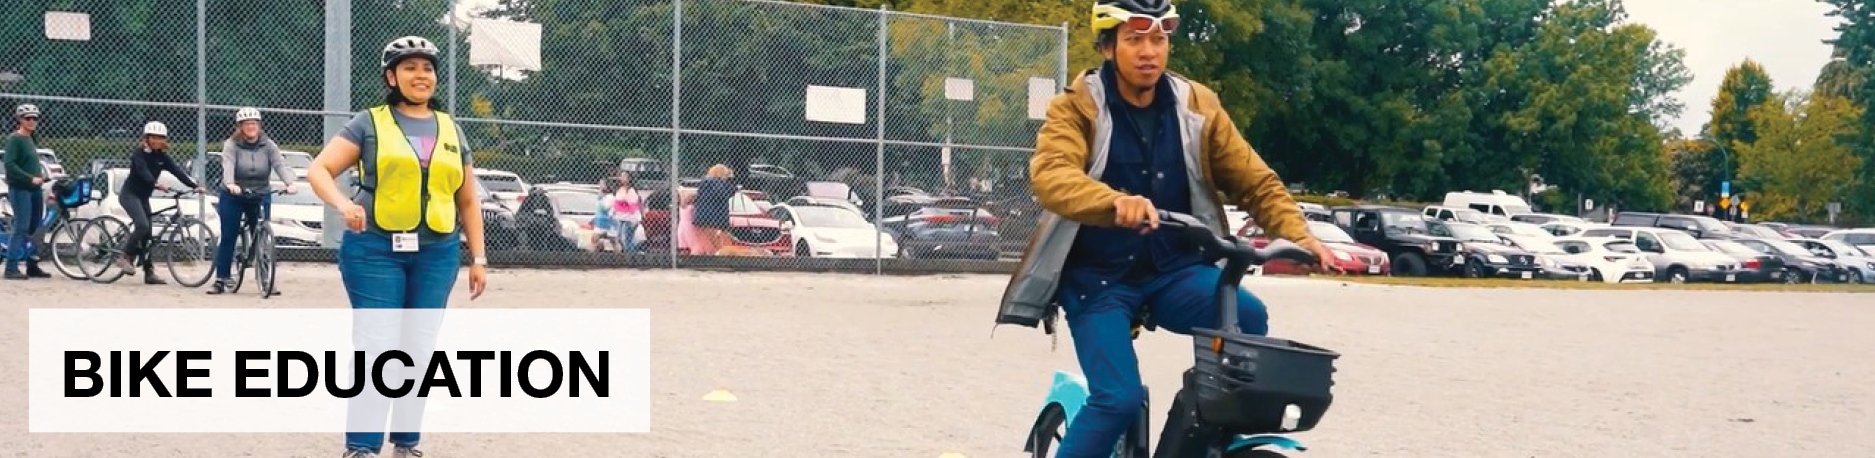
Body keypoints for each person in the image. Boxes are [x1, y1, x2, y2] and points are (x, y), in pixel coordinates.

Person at [993, 1, 1336, 457]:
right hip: (1099, 279)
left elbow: (1255, 180)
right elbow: (1051, 175)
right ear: (1108, 45)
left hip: (1173, 272)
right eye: (1135, 39)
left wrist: (1299, 235)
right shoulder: (1076, 107)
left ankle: (1189, 435)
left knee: (1247, 317)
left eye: (1159, 39)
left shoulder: (1197, 105)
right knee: (1118, 399)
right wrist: (1113, 202)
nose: (1149, 51)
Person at [303, 35, 488, 458]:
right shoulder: (368, 123)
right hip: (374, 251)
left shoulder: (451, 129)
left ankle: (407, 443)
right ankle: (362, 447)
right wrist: (342, 204)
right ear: (391, 76)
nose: (420, 75)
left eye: (427, 68)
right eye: (409, 68)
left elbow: (467, 198)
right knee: (377, 346)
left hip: (437, 253)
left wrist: (478, 257)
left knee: (419, 350)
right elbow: (319, 170)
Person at [206, 107, 299, 294]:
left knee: (263, 234)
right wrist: (230, 183)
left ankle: (265, 279)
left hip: (260, 193)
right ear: (240, 127)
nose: (251, 127)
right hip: (235, 194)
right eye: (247, 124)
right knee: (229, 235)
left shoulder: (269, 145)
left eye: (254, 124)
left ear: (259, 126)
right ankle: (221, 279)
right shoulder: (231, 145)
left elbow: (279, 164)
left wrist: (290, 183)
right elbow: (228, 164)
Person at [115, 120, 208, 284]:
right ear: (146, 138)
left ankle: (149, 272)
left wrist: (195, 186)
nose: (157, 141)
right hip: (130, 195)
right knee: (142, 225)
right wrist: (155, 183)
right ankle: (125, 257)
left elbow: (178, 172)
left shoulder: (162, 157)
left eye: (161, 138)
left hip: (143, 197)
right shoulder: (139, 154)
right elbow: (143, 171)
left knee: (148, 236)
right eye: (153, 137)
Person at [4, 103, 50, 280]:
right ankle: (11, 267)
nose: (31, 121)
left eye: (34, 118)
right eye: (27, 118)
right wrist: (29, 178)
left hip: (35, 189)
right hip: (21, 188)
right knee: (21, 226)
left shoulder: (31, 138)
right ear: (20, 120)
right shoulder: (14, 139)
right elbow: (10, 165)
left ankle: (32, 264)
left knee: (35, 226)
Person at [691, 164, 736, 255]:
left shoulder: (706, 181)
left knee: (706, 241)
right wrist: (730, 182)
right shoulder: (716, 182)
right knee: (717, 242)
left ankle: (705, 255)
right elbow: (722, 194)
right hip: (713, 218)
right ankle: (718, 257)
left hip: (704, 216)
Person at [604, 172, 645, 253]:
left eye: (624, 176)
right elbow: (616, 204)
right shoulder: (620, 189)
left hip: (630, 219)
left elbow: (633, 206)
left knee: (626, 240)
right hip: (620, 217)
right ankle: (630, 255)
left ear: (629, 179)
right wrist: (612, 213)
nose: (621, 178)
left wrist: (636, 218)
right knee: (619, 239)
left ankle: (634, 254)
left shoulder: (631, 190)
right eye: (621, 176)